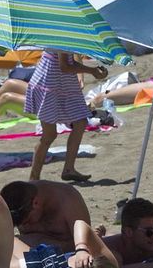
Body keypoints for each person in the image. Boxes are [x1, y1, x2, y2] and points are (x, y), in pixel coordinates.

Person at [23, 50, 103, 183]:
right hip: (48, 84)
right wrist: (92, 70)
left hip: (62, 83)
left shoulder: (70, 32)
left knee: (80, 122)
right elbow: (64, 66)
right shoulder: (59, 34)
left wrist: (83, 73)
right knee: (49, 135)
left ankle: (69, 169)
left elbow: (72, 55)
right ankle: (34, 178)